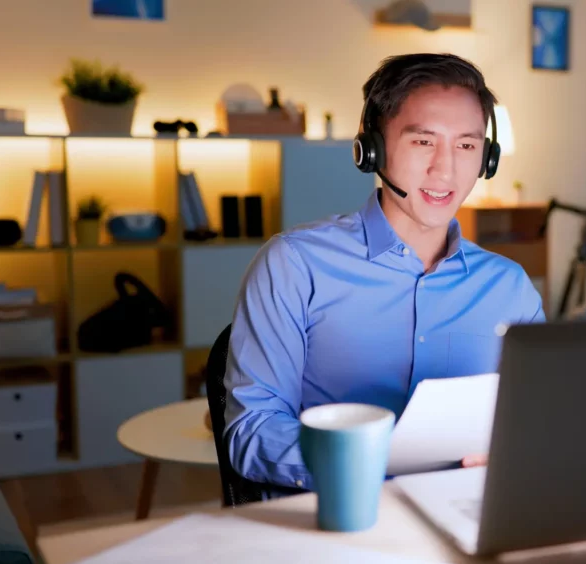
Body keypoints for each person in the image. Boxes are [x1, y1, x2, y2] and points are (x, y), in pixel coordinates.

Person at [222, 53, 545, 494]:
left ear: (487, 159)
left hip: (466, 524)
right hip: (334, 531)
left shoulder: (511, 289)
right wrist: (368, 461)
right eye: (423, 142)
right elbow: (251, 431)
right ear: (370, 149)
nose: (445, 169)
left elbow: (534, 425)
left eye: (467, 146)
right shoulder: (294, 266)